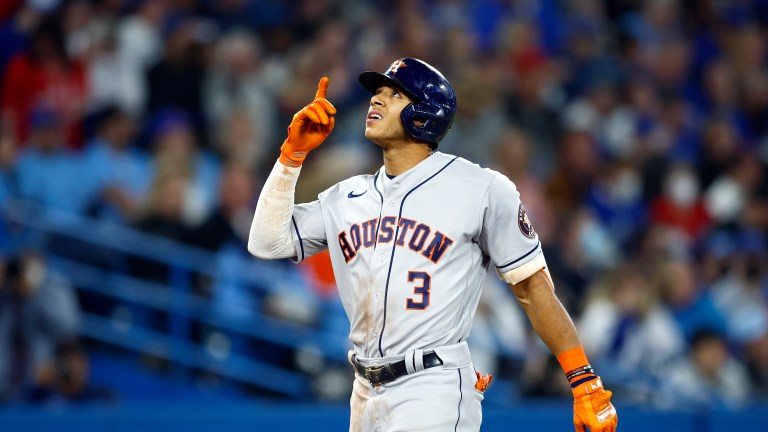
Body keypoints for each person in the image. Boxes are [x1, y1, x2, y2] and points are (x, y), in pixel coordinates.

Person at [248, 57, 618, 432]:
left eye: (394, 95)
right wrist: (291, 156)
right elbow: (266, 242)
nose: (376, 100)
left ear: (425, 113)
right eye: (377, 92)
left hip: (434, 387)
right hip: (363, 391)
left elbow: (533, 290)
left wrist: (583, 379)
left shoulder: (481, 189)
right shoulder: (346, 196)